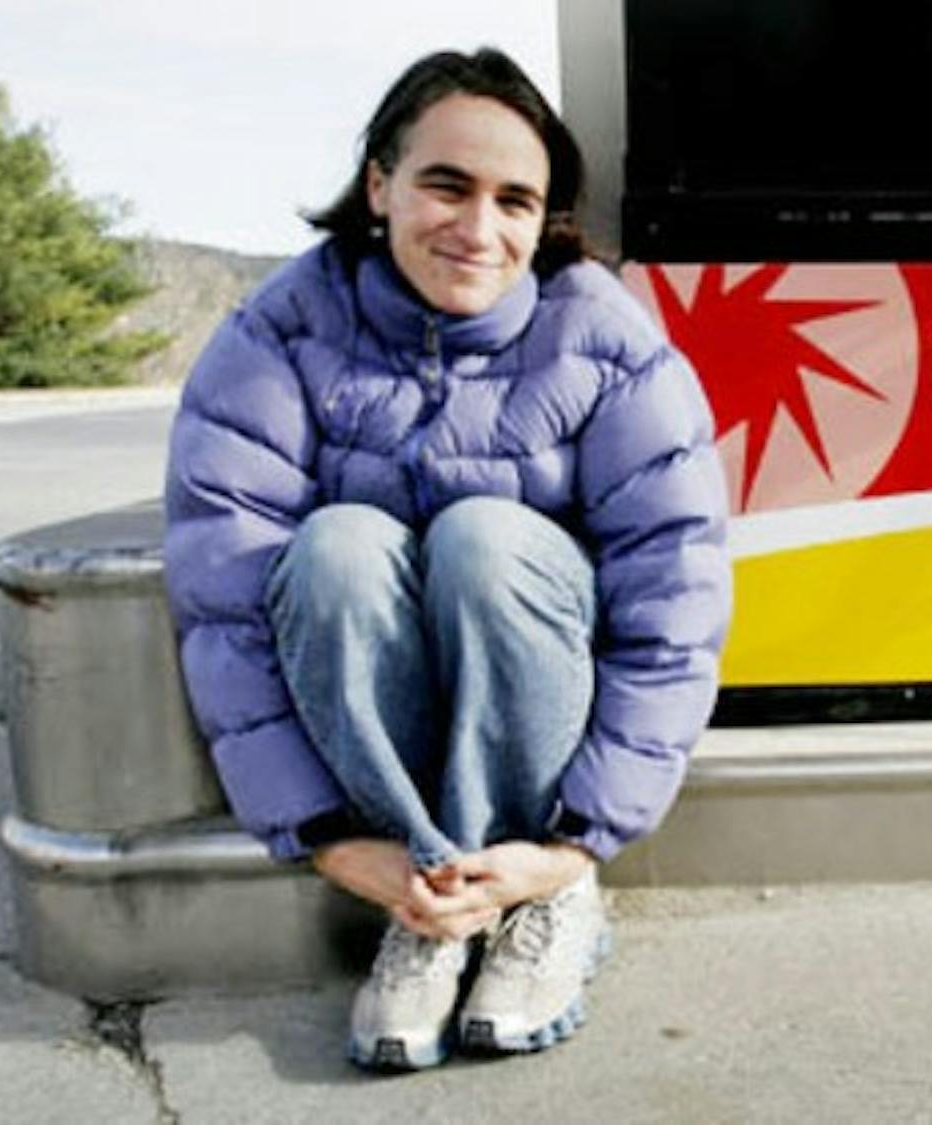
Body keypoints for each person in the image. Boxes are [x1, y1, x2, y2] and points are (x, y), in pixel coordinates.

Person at [163, 47, 731, 1072]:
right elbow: (229, 603)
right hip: (386, 783)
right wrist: (333, 841)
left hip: (543, 731)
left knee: (486, 534)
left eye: (516, 200)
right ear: (379, 184)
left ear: (546, 217)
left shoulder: (602, 339)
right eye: (446, 185)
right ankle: (435, 906)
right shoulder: (278, 334)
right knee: (335, 546)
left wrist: (575, 844)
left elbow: (674, 594)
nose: (480, 230)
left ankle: (537, 901)